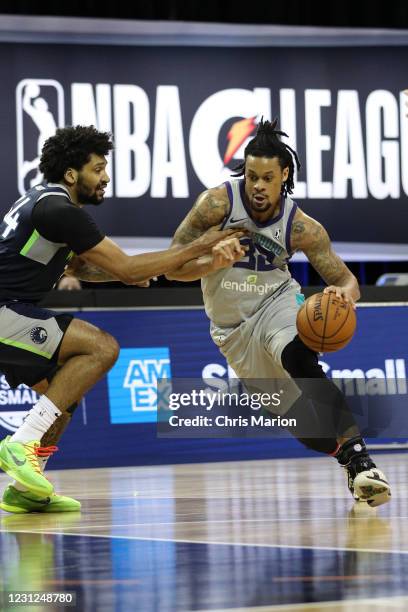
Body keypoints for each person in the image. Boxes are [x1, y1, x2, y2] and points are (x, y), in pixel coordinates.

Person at [0, 125, 244, 514]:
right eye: (98, 169)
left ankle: (29, 486)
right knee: (102, 348)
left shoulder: (45, 202)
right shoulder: (61, 211)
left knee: (63, 389)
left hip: (12, 312)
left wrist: (130, 271)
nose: (106, 177)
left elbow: (83, 267)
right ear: (71, 175)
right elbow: (129, 268)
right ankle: (21, 445)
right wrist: (199, 244)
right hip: (5, 313)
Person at [166, 118, 391, 508]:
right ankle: (343, 457)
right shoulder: (215, 205)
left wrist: (343, 293)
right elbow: (172, 267)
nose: (256, 185)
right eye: (251, 176)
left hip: (277, 304)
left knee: (298, 355)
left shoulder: (302, 227)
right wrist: (209, 262)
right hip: (232, 330)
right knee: (302, 425)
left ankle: (361, 458)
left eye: (266, 178)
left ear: (283, 175)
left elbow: (347, 280)